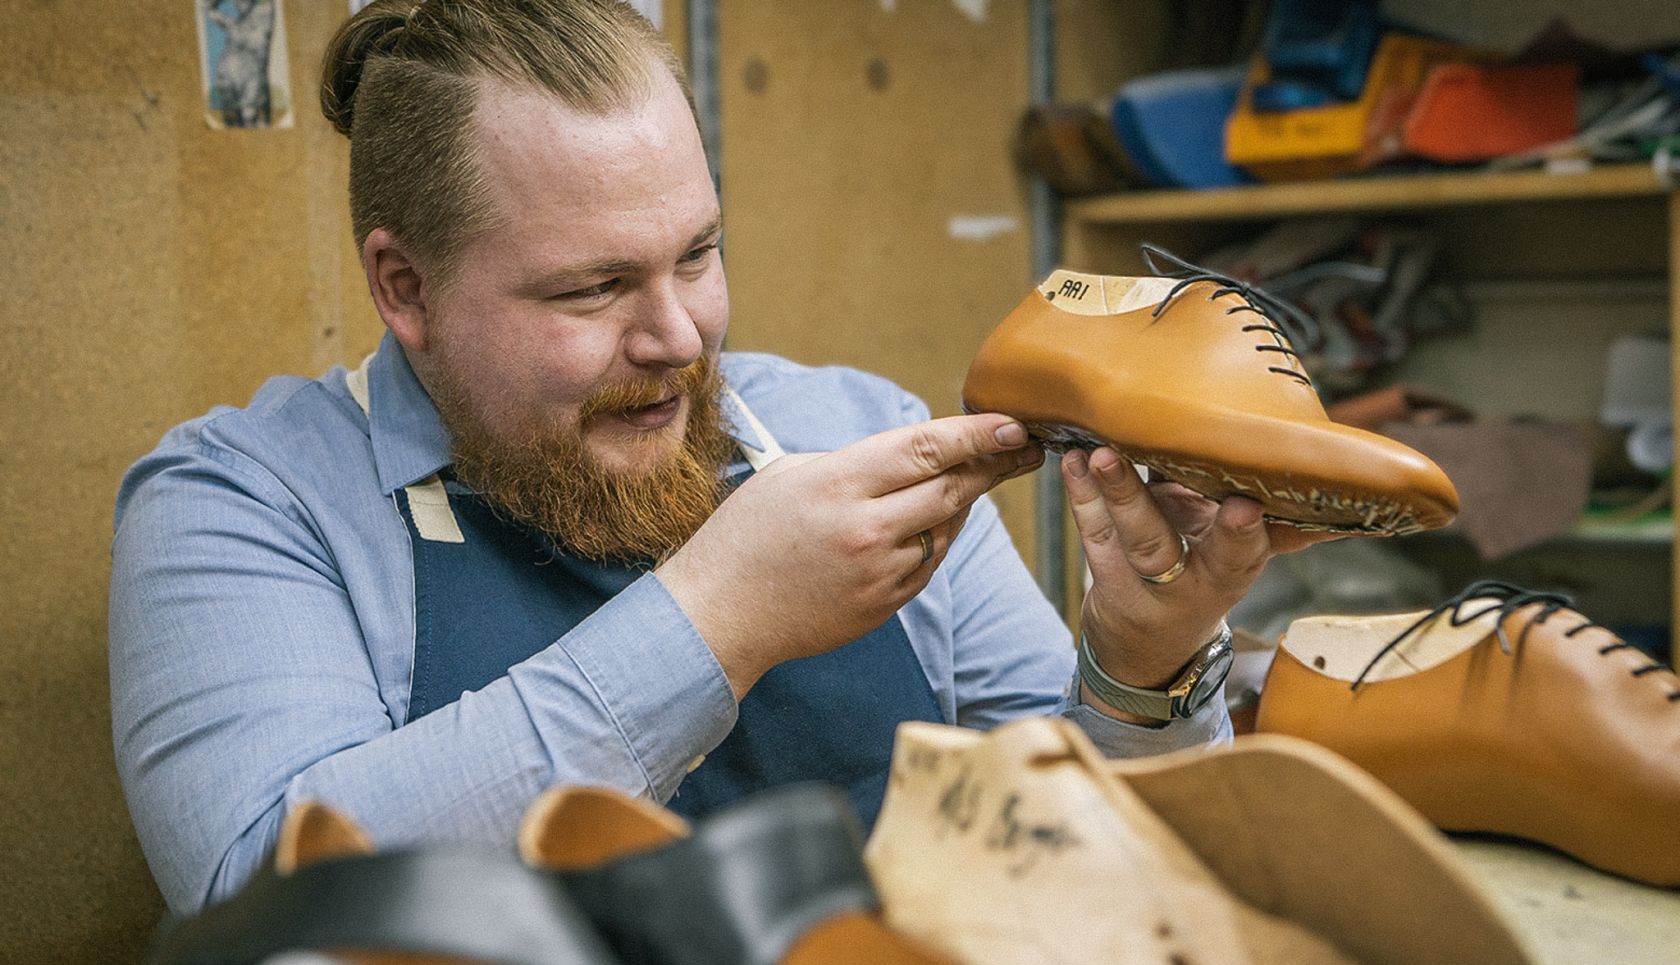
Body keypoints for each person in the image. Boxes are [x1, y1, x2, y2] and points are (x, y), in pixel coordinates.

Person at [109, 0, 1315, 915]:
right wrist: (722, 615)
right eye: (593, 287)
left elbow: (1091, 870)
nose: (680, 338)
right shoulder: (245, 503)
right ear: (406, 287)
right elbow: (265, 902)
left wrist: (1142, 665)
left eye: (696, 255)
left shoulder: (849, 426)